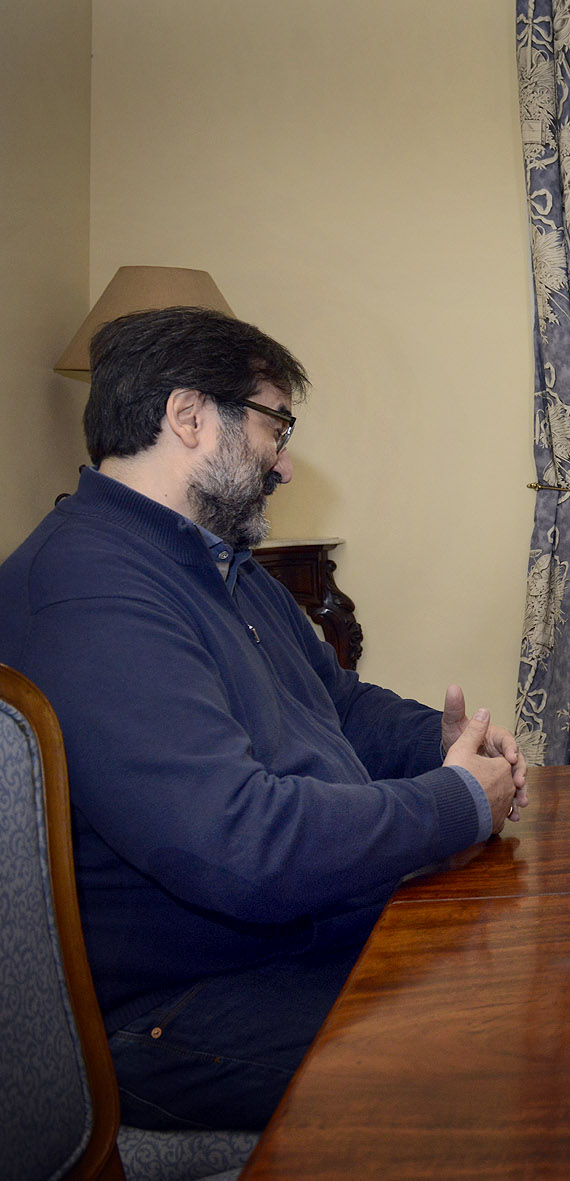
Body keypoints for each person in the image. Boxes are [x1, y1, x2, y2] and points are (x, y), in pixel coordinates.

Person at [0, 306, 528, 1129]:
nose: (283, 463)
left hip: (296, 939)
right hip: (177, 1010)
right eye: (275, 425)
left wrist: (441, 741)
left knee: (533, 961)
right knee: (505, 1045)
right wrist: (456, 802)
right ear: (189, 416)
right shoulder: (88, 590)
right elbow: (243, 845)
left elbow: (338, 705)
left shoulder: (222, 567)